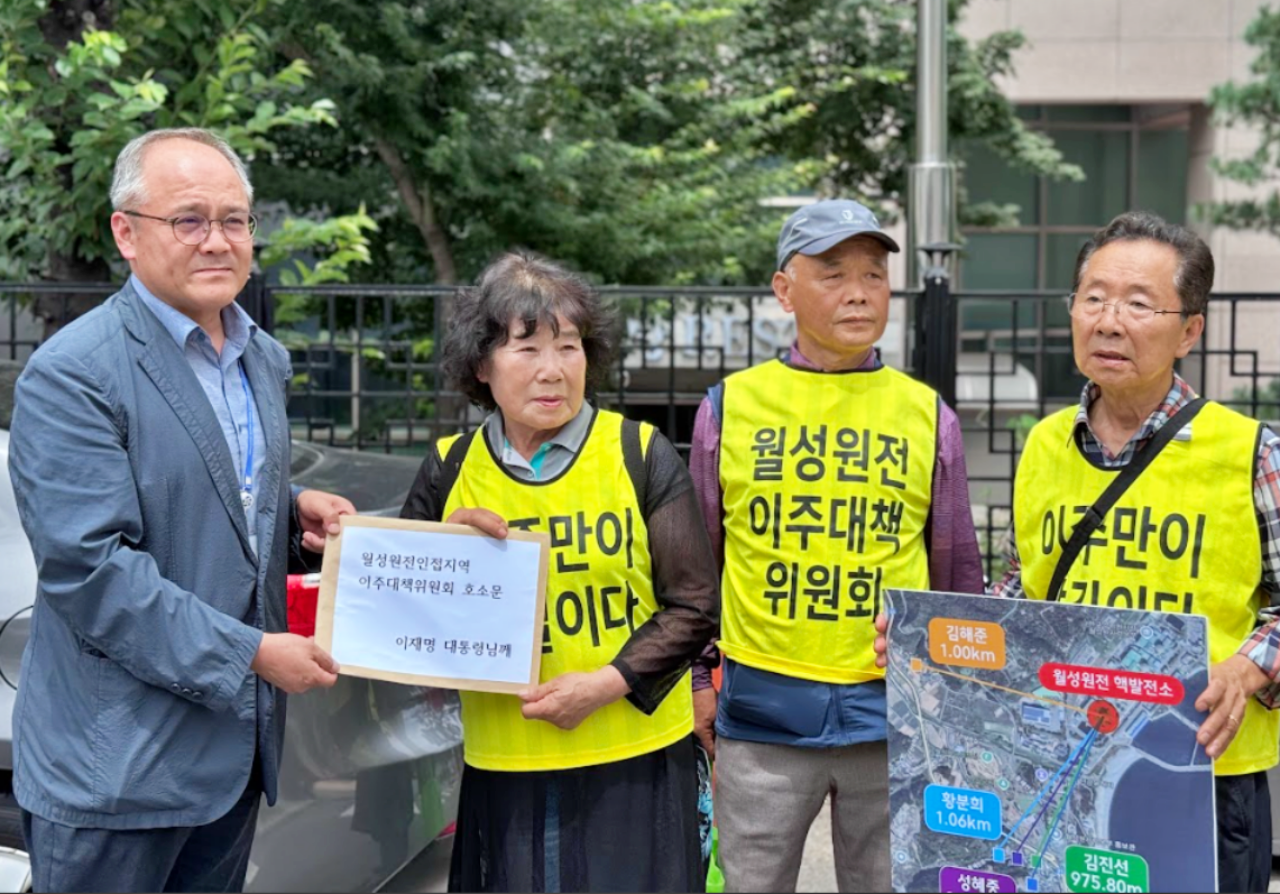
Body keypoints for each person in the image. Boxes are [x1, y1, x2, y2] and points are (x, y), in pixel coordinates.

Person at [7, 128, 356, 893]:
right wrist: (252, 655)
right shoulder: (73, 374)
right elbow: (93, 572)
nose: (217, 241)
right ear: (126, 234)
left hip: (230, 760)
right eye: (189, 219)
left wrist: (294, 515)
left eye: (235, 220)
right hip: (116, 769)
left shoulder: (260, 357)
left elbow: (210, 496)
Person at [688, 199, 985, 893]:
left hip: (891, 720)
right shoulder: (729, 408)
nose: (859, 291)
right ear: (784, 290)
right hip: (759, 716)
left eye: (875, 274)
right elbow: (699, 568)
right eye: (833, 273)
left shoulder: (926, 414)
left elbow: (956, 575)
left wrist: (954, 704)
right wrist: (699, 680)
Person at [399, 250, 719, 892]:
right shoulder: (448, 467)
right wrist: (442, 551)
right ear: (482, 365)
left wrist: (603, 684)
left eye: (568, 348)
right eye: (527, 349)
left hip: (635, 759)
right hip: (504, 765)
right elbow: (400, 618)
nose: (553, 371)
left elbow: (693, 606)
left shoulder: (638, 452)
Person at [982, 211, 1280, 894]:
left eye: (1138, 304)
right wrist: (929, 639)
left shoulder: (1250, 452)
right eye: (1093, 297)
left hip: (1199, 778)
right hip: (1064, 771)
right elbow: (1020, 595)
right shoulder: (1043, 446)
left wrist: (1247, 667)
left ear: (1190, 331)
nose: (1109, 321)